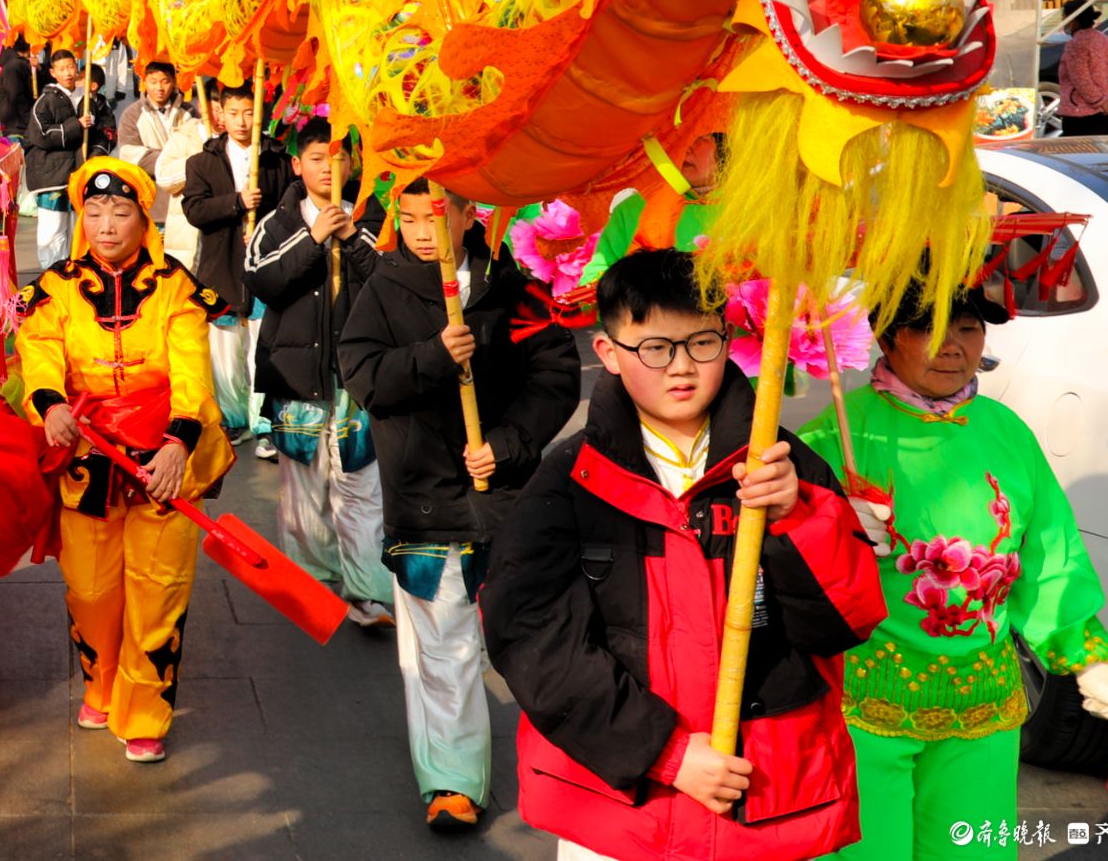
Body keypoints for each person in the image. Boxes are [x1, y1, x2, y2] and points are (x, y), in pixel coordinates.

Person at [482, 247, 885, 861]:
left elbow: (845, 620)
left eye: (702, 343)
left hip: (763, 798)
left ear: (730, 340)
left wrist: (797, 517)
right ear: (608, 353)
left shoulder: (782, 466)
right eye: (654, 348)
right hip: (619, 808)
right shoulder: (568, 481)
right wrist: (667, 754)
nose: (682, 368)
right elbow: (533, 640)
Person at [799, 277, 1108, 861]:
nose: (952, 346)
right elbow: (777, 568)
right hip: (865, 702)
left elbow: (1048, 553)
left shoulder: (1006, 433)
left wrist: (1088, 660)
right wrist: (825, 517)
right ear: (887, 338)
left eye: (967, 328)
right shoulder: (833, 435)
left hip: (983, 702)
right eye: (926, 329)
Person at [338, 177, 581, 830]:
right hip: (423, 499)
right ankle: (451, 780)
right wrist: (431, 357)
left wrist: (508, 444)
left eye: (436, 216)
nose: (422, 231)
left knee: (527, 636)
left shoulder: (515, 283)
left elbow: (555, 374)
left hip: (508, 495)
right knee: (442, 645)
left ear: (470, 213)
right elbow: (362, 376)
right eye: (410, 218)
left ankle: (567, 765)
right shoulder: (384, 286)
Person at [14, 156, 234, 763]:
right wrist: (50, 404)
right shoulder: (55, 287)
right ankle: (101, 682)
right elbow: (38, 351)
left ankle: (145, 710)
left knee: (159, 590)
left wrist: (178, 441)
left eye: (120, 210)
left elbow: (192, 367)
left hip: (160, 459)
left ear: (145, 217)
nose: (106, 223)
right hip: (84, 455)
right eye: (95, 209)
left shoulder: (176, 287)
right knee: (90, 590)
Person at [245, 118, 392, 627]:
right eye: (316, 159)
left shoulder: (376, 216)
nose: (329, 169)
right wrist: (312, 239)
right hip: (295, 376)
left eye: (338, 160)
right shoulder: (277, 221)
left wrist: (350, 238)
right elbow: (263, 282)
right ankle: (310, 584)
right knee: (303, 486)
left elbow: (388, 283)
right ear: (296, 165)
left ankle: (367, 591)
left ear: (352, 164)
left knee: (361, 485)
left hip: (359, 378)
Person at [182, 80, 290, 458]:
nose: (242, 121)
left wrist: (265, 229)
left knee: (263, 350)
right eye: (234, 113)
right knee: (226, 357)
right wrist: (236, 203)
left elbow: (290, 211)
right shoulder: (202, 162)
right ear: (220, 115)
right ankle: (233, 420)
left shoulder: (276, 159)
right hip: (221, 271)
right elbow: (195, 210)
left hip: (265, 271)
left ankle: (263, 424)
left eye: (249, 112)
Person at [579, 133, 721, 288]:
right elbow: (599, 275)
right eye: (679, 137)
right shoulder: (633, 208)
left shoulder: (748, 212)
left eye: (700, 138)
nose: (685, 148)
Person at [25, 48, 93, 268]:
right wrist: (75, 125)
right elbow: (41, 135)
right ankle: (52, 275)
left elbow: (105, 131)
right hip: (52, 177)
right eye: (62, 68)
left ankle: (74, 273)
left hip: (78, 172)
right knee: (52, 231)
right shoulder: (45, 101)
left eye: (71, 66)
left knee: (77, 229)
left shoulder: (87, 99)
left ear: (78, 67)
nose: (68, 72)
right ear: (53, 72)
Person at [155, 85, 223, 270]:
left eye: (226, 111)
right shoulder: (184, 135)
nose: (221, 117)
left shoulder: (236, 142)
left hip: (221, 237)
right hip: (186, 236)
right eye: (216, 110)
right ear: (202, 106)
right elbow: (163, 177)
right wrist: (200, 164)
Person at [118, 61, 186, 226]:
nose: (159, 88)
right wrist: (175, 161)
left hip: (184, 202)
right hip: (151, 201)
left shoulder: (188, 112)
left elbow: (196, 153)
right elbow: (132, 155)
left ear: (174, 82)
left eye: (165, 81)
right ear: (144, 82)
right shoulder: (132, 115)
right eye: (153, 81)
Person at [1057, 0, 1108, 137]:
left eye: (1064, 16)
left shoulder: (1076, 45)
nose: (1063, 21)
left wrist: (1100, 102)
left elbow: (1081, 80)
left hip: (1080, 115)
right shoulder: (1107, 41)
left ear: (1072, 20)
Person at [0, 35, 36, 142]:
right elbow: (17, 96)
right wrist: (30, 121)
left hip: (17, 127)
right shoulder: (15, 66)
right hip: (19, 129)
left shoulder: (14, 64)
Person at [85, 64, 119, 158]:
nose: (75, 81)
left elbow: (110, 136)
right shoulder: (72, 102)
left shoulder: (105, 110)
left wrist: (95, 154)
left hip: (93, 159)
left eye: (80, 79)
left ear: (93, 86)